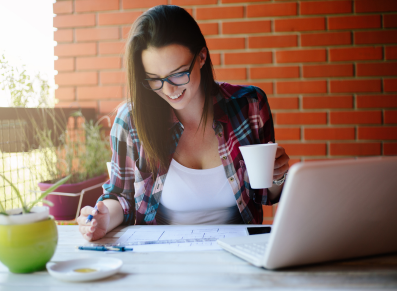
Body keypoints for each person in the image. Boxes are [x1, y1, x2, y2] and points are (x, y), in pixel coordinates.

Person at [77, 5, 289, 241]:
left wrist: (278, 176)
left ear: (201, 57)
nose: (169, 90)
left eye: (178, 73)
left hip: (239, 251)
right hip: (163, 255)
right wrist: (104, 217)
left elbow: (269, 195)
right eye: (154, 79)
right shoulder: (131, 121)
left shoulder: (250, 105)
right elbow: (120, 196)